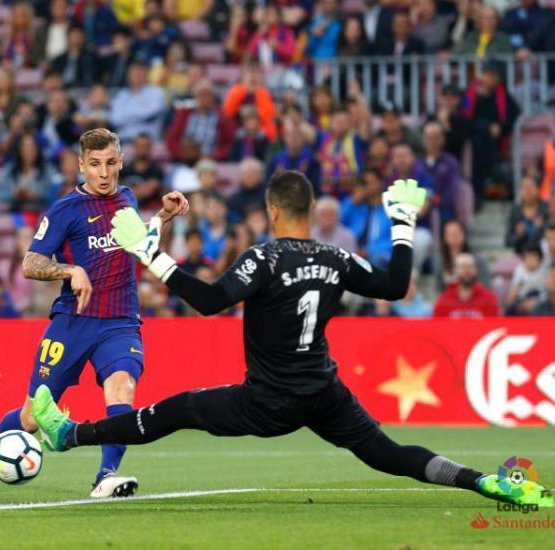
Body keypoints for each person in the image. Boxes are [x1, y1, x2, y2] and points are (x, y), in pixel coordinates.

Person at [31, 173, 553, 509]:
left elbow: (211, 301)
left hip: (267, 400)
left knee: (177, 410)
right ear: (310, 208)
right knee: (388, 454)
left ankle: (71, 435)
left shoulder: (264, 258)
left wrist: (152, 256)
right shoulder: (335, 257)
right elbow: (396, 285)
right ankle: (485, 482)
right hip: (324, 393)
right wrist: (403, 225)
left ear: (273, 211)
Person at [0, 128, 190, 498]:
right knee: (32, 417)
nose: (104, 173)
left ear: (121, 162)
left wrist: (164, 215)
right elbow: (30, 263)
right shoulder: (65, 210)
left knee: (122, 387)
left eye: (111, 163)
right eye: (95, 164)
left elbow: (139, 242)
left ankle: (106, 476)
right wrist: (70, 270)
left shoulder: (127, 198)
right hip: (73, 322)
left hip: (120, 321)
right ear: (81, 165)